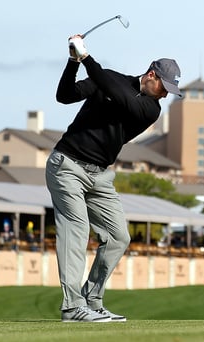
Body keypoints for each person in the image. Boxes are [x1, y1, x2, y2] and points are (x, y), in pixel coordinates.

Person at [46, 33, 182, 323]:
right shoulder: (108, 76)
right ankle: (72, 307)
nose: (165, 94)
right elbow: (65, 96)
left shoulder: (150, 109)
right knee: (76, 230)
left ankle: (92, 300)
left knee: (119, 237)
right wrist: (73, 62)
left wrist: (86, 58)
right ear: (151, 75)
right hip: (67, 166)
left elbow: (120, 98)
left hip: (100, 176)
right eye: (165, 87)